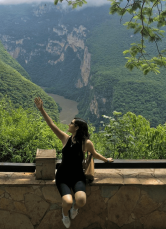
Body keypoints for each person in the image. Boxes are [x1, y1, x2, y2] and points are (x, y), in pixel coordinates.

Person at [34, 97, 113, 228]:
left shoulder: (86, 143)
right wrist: (41, 109)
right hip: (63, 176)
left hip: (77, 176)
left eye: (71, 123)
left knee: (81, 200)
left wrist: (106, 160)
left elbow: (94, 154)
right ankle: (65, 214)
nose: (68, 125)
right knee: (67, 201)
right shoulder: (65, 139)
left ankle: (74, 209)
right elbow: (51, 124)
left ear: (76, 128)